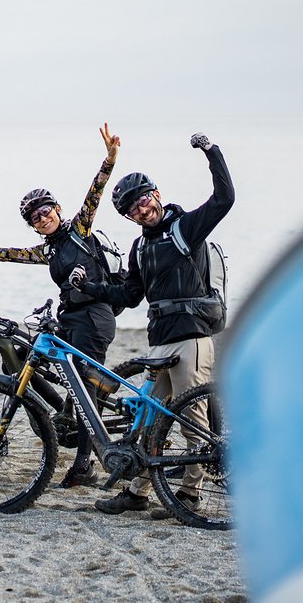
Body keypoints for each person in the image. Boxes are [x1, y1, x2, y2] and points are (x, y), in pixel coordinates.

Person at [0, 124, 121, 488]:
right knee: (19, 352)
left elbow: (95, 193)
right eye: (34, 217)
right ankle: (53, 415)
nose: (42, 217)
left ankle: (84, 464)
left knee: (84, 388)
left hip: (96, 317)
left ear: (57, 209)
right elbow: (1, 253)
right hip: (69, 318)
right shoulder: (46, 251)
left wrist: (109, 160)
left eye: (45, 210)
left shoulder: (78, 230)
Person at [72, 132, 234, 515]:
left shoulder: (187, 228)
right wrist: (89, 288)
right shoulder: (140, 247)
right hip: (159, 341)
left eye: (144, 202)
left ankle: (191, 496)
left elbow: (224, 199)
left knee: (191, 423)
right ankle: (138, 492)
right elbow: (129, 295)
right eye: (132, 211)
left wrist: (211, 151)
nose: (141, 211)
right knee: (150, 419)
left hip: (191, 339)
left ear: (156, 194)